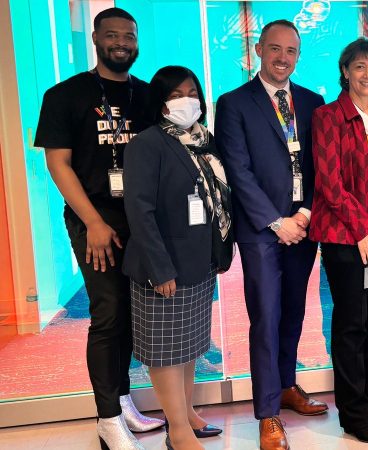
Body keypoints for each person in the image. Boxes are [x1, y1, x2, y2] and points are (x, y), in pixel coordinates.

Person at [34, 7, 164, 449]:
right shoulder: (64, 95)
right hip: (95, 222)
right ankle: (107, 418)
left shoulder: (146, 97)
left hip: (141, 221)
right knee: (108, 313)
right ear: (95, 38)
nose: (121, 43)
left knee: (132, 313)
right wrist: (92, 221)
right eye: (112, 35)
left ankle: (123, 401)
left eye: (128, 35)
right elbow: (58, 163)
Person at [214, 19, 326, 450]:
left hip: (304, 223)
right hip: (262, 230)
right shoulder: (235, 103)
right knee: (265, 316)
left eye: (291, 51)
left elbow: (320, 164)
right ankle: (267, 413)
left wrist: (306, 212)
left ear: (299, 55)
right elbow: (236, 170)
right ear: (259, 50)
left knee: (295, 312)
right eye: (275, 49)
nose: (283, 58)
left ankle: (286, 386)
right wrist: (274, 221)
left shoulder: (312, 102)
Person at [123, 66, 230, 450]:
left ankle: (186, 413)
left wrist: (220, 251)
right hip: (164, 266)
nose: (187, 100)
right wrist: (159, 268)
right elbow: (139, 211)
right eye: (175, 94)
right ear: (161, 101)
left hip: (199, 261)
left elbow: (217, 200)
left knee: (189, 346)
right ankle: (178, 431)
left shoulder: (204, 140)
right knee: (166, 350)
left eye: (192, 92)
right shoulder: (147, 144)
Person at [310, 38, 368, 444]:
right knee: (350, 322)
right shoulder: (328, 117)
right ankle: (352, 412)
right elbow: (330, 185)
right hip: (348, 237)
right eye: (360, 67)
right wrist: (363, 230)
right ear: (345, 71)